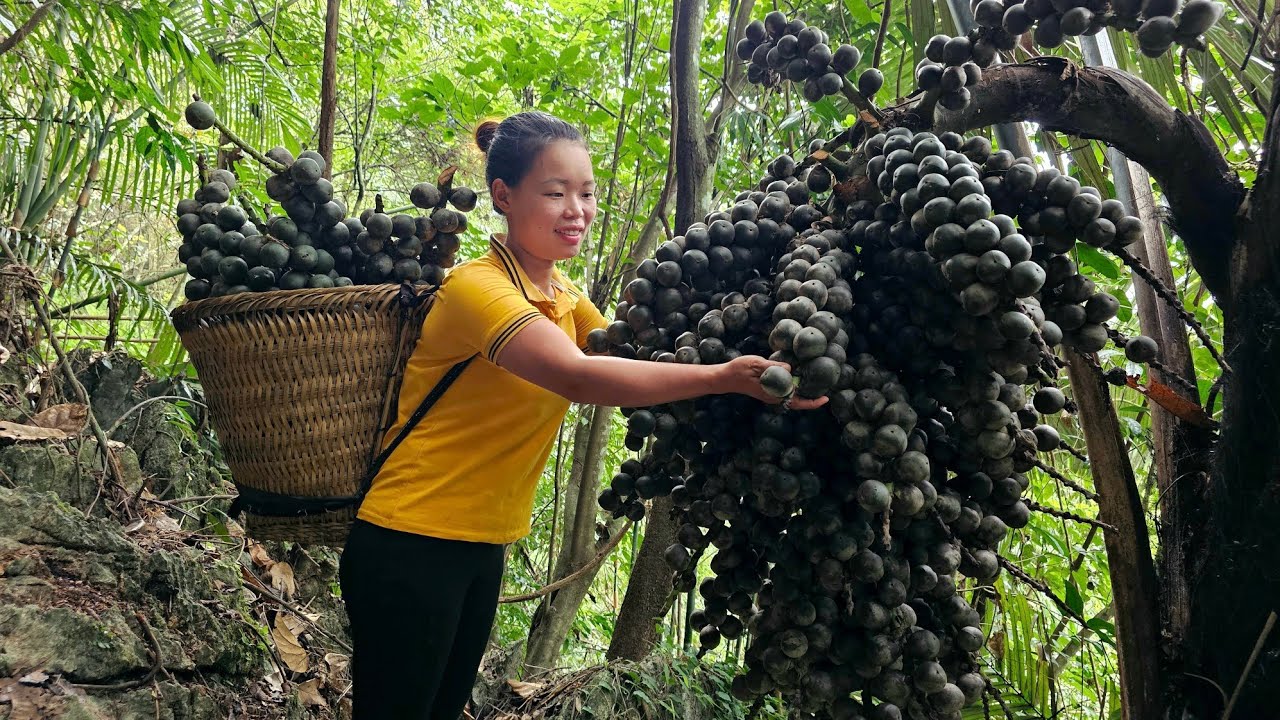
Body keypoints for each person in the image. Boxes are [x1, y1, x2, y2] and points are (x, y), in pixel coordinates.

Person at [338, 110, 826, 719]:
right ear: (503, 197)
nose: (578, 209)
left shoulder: (567, 298)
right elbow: (580, 375)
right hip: (410, 538)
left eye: (587, 193)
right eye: (555, 192)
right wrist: (725, 378)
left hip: (484, 543)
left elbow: (640, 362)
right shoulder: (476, 289)